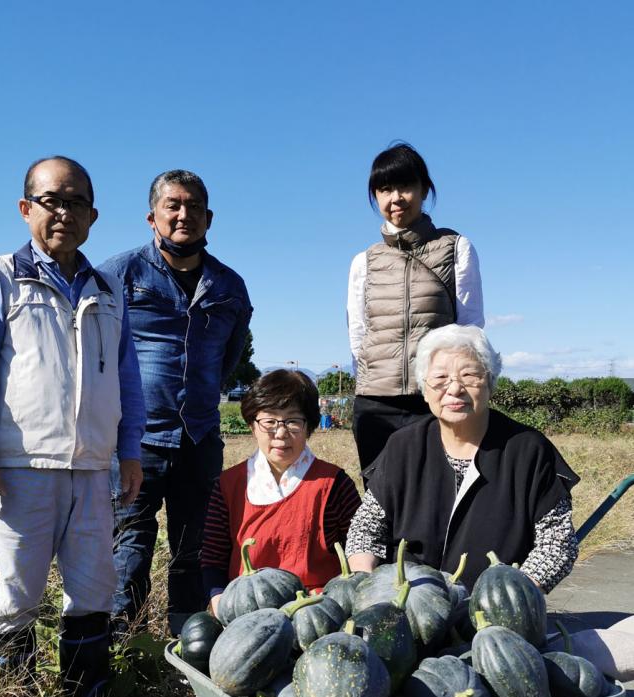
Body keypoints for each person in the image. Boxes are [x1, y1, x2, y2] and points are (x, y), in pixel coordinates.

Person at [0, 156, 146, 697]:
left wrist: (127, 452)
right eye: (51, 200)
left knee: (93, 590)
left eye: (76, 202)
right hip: (20, 468)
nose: (63, 212)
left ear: (93, 214)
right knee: (17, 592)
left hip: (91, 470)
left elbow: (126, 379)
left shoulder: (108, 288)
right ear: (25, 208)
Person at [101, 170, 252, 636]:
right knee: (129, 547)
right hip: (134, 441)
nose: (183, 214)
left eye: (193, 207)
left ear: (209, 218)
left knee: (195, 549)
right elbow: (97, 354)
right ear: (153, 217)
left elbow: (230, 357)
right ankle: (124, 644)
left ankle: (188, 647)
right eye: (173, 205)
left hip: (199, 437)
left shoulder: (229, 286)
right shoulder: (119, 275)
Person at [346, 325, 579, 594]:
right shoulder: (403, 447)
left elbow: (558, 544)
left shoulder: (529, 451)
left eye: (469, 375)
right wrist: (365, 584)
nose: (454, 388)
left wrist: (511, 597)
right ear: (424, 389)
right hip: (407, 602)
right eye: (441, 378)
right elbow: (366, 528)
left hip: (492, 615)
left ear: (490, 383)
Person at [347, 142, 485, 478]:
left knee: (437, 503)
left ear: (424, 189)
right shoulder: (364, 261)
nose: (395, 198)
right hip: (376, 401)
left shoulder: (456, 248)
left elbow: (471, 329)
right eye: (384, 189)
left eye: (405, 186)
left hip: (435, 398)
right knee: (381, 505)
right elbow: (358, 334)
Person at [201, 370, 362, 617]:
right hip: (246, 614)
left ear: (309, 425)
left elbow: (357, 553)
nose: (280, 433)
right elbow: (214, 559)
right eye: (270, 421)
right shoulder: (228, 484)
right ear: (252, 425)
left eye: (292, 421)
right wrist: (222, 606)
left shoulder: (334, 484)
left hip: (317, 612)